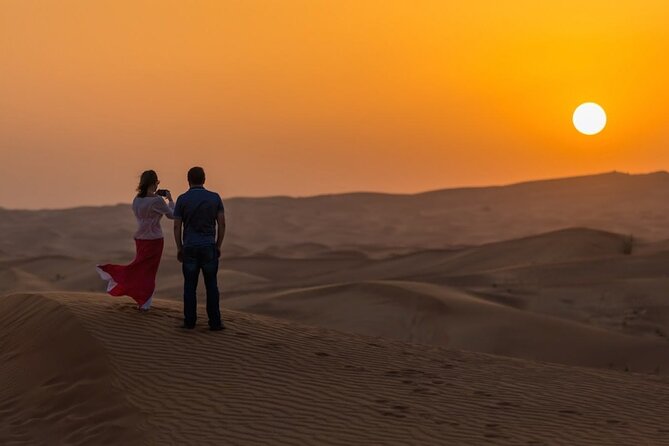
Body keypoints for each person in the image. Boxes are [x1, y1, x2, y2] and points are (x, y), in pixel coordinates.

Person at [96, 170, 175, 311]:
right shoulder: (157, 201)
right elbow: (172, 215)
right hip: (154, 240)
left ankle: (142, 300)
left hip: (140, 239)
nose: (157, 185)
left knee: (140, 268)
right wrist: (170, 199)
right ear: (153, 183)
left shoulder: (136, 200)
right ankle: (144, 301)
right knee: (149, 272)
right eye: (157, 183)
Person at [173, 166, 226, 330]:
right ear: (204, 179)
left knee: (189, 286)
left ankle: (190, 322)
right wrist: (218, 245)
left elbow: (176, 226)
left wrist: (179, 247)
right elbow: (222, 224)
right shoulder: (215, 198)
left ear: (188, 180)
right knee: (211, 285)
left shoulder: (182, 199)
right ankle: (215, 323)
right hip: (208, 246)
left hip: (189, 247)